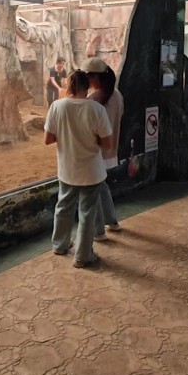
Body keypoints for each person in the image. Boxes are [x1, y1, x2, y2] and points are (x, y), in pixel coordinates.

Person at [45, 69, 113, 269]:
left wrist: (67, 136)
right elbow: (107, 144)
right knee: (87, 212)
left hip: (67, 169)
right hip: (91, 171)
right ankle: (83, 256)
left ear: (69, 85)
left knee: (63, 206)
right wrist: (88, 138)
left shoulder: (57, 106)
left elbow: (48, 139)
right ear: (88, 86)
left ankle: (60, 245)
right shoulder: (97, 109)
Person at [80, 57, 124, 238]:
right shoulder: (117, 95)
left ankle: (98, 231)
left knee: (91, 192)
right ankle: (112, 221)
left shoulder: (93, 100)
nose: (86, 81)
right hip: (110, 149)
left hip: (95, 151)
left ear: (96, 77)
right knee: (101, 185)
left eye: (88, 77)